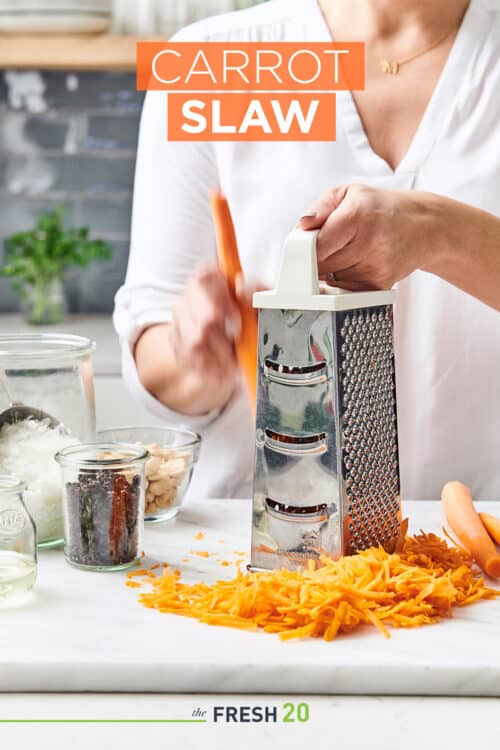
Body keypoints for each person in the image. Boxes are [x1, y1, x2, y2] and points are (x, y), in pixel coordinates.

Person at [114, 0, 500, 501]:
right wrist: (194, 358)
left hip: (481, 548)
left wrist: (436, 230)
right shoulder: (211, 61)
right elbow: (156, 353)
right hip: (252, 555)